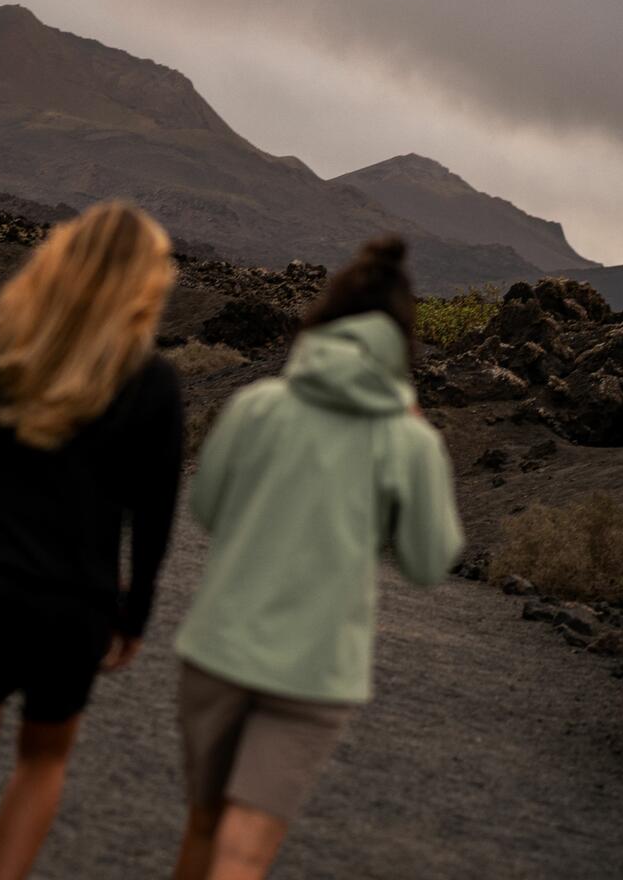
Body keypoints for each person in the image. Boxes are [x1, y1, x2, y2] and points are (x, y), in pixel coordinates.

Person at [171, 235, 465, 880]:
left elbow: (208, 510)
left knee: (203, 825)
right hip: (314, 670)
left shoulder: (255, 407)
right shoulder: (408, 439)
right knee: (245, 850)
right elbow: (427, 560)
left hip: (219, 648)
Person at [0, 201, 184, 880]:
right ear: (147, 284)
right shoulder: (154, 384)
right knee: (42, 763)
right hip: (76, 606)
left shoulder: (11, 341)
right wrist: (136, 615)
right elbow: (155, 517)